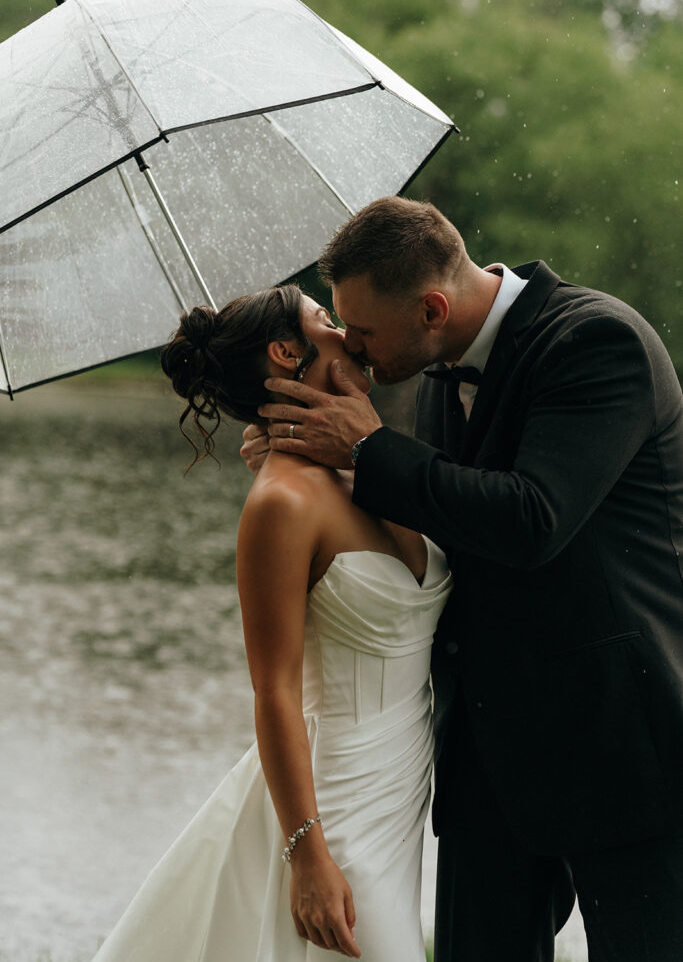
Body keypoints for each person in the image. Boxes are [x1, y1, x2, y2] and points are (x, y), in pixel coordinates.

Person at [245, 196, 683, 962]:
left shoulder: (596, 340)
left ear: (433, 307)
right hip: (490, 755)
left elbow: (530, 520)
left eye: (365, 331)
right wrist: (316, 467)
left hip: (620, 746)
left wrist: (371, 450)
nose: (352, 347)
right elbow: (448, 526)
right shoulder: (440, 368)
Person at [89, 284, 452, 962]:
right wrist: (308, 856)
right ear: (287, 352)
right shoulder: (281, 503)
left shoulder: (368, 468)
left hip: (399, 787)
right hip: (335, 796)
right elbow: (273, 689)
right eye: (328, 321)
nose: (349, 334)